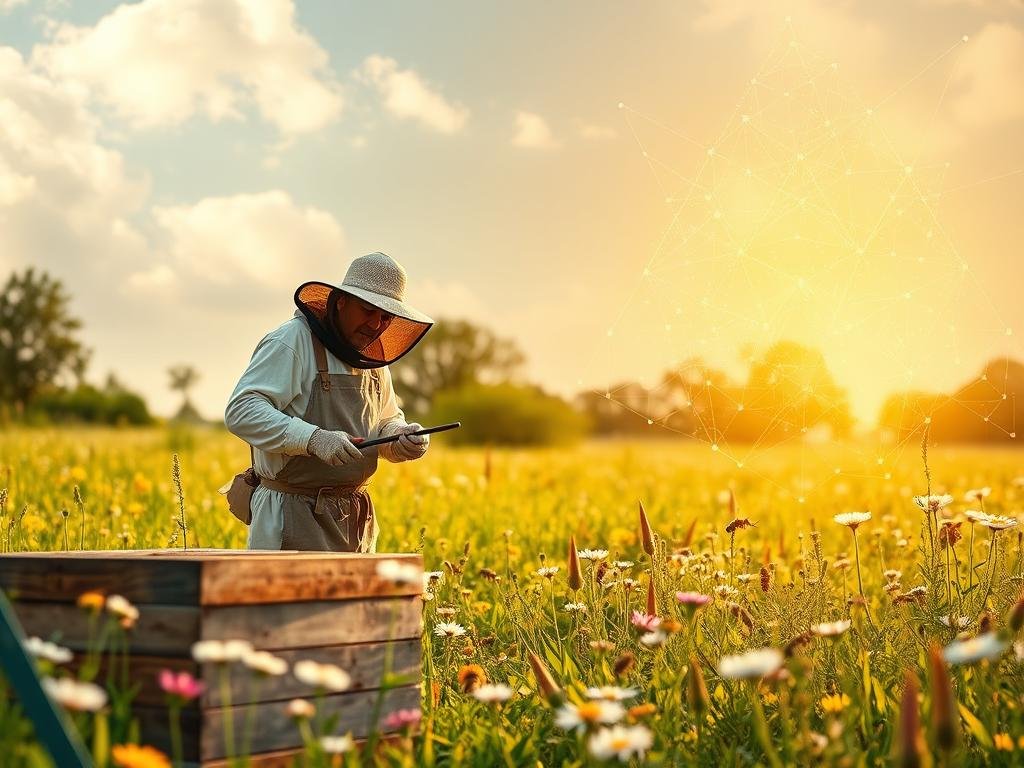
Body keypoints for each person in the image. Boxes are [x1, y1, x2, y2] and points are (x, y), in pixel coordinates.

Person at [224, 252, 432, 552]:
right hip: (290, 512)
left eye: (385, 317)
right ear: (341, 301)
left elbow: (385, 420)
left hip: (355, 518)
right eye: (368, 310)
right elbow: (242, 410)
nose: (376, 325)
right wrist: (313, 439)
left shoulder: (373, 357)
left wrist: (399, 438)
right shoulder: (291, 341)